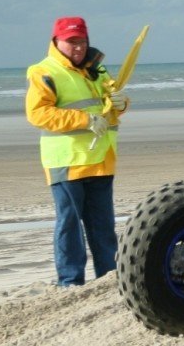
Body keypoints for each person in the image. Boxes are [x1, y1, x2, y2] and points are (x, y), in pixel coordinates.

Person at [25, 17, 130, 286]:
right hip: (67, 160)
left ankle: (109, 279)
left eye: (81, 41)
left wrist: (121, 103)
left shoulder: (97, 69)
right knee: (70, 223)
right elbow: (38, 114)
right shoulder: (44, 71)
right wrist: (85, 120)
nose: (78, 47)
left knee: (103, 226)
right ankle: (70, 282)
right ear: (56, 41)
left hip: (100, 158)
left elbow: (110, 107)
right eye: (71, 42)